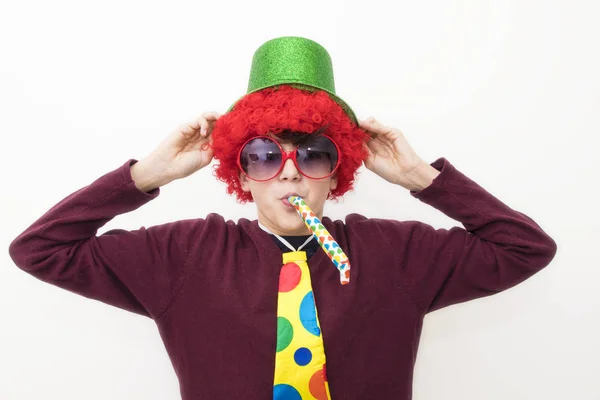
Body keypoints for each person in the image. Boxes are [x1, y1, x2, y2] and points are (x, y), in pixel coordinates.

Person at [8, 37, 557, 400]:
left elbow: (525, 249)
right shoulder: (185, 255)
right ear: (240, 173)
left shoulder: (398, 256)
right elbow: (40, 251)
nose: (290, 174)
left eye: (313, 154)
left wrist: (424, 179)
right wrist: (146, 175)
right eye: (266, 157)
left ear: (336, 171)